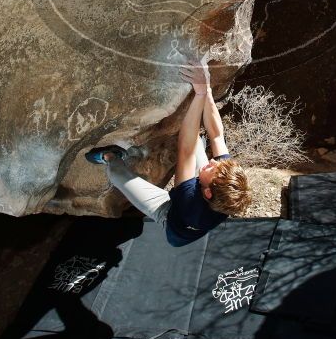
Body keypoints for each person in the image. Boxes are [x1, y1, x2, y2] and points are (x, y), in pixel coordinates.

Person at [85, 58, 251, 246]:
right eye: (217, 163)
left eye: (211, 169)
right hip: (199, 200)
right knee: (195, 138)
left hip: (171, 217)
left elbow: (185, 149)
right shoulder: (225, 179)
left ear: (207, 193)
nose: (213, 162)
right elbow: (217, 136)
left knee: (116, 173)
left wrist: (200, 93)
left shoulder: (190, 203)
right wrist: (208, 89)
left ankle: (111, 157)